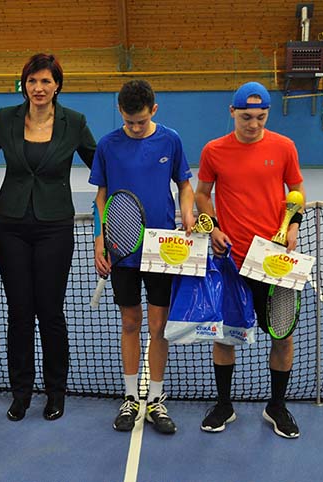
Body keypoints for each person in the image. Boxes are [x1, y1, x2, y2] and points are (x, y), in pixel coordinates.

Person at [0, 53, 96, 421]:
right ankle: (21, 394)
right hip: (10, 226)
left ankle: (55, 392)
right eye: (32, 81)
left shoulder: (74, 122)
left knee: (50, 313)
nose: (39, 87)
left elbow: (100, 162)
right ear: (24, 84)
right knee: (19, 314)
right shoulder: (6, 118)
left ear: (57, 85)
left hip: (54, 227)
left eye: (46, 81)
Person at [195, 81, 305, 439]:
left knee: (282, 336)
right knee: (225, 336)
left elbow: (296, 191)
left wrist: (293, 226)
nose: (253, 124)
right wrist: (212, 228)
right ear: (232, 112)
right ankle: (224, 404)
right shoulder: (214, 150)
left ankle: (277, 406)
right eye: (246, 117)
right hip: (232, 260)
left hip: (273, 260)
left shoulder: (284, 147)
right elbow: (202, 194)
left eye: (260, 117)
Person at [89, 80, 195, 434]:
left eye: (141, 121)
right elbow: (101, 196)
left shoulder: (170, 140)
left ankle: (157, 399)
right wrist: (100, 238)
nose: (135, 128)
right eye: (129, 121)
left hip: (162, 248)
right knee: (130, 322)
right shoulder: (108, 145)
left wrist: (187, 214)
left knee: (158, 326)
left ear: (154, 110)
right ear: (120, 111)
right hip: (122, 247)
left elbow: (184, 185)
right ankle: (132, 397)